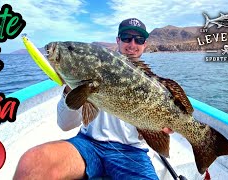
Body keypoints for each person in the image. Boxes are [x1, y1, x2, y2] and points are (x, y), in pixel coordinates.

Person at [14, 18, 173, 180]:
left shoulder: (153, 84)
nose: (132, 44)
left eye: (138, 40)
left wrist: (160, 128)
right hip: (88, 144)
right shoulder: (97, 65)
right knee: (32, 163)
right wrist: (72, 87)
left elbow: (160, 124)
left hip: (131, 153)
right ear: (118, 40)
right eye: (126, 38)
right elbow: (65, 125)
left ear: (144, 44)